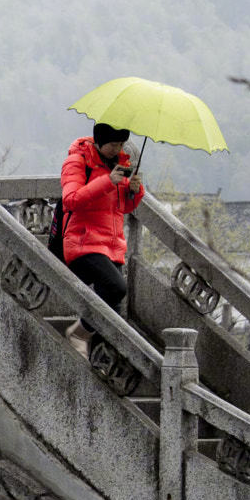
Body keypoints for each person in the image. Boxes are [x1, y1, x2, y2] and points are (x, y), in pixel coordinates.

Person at [61, 122, 145, 353]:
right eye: (112, 144)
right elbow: (71, 200)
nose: (116, 149)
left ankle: (103, 360)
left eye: (120, 144)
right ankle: (80, 332)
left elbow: (123, 207)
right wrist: (108, 181)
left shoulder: (120, 165)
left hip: (112, 245)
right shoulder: (78, 161)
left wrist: (135, 191)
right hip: (83, 242)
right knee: (117, 288)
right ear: (99, 141)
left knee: (113, 307)